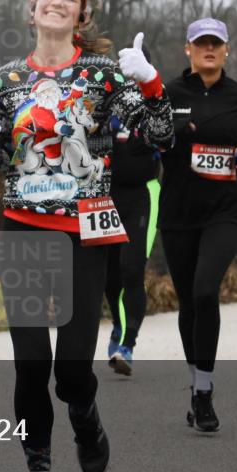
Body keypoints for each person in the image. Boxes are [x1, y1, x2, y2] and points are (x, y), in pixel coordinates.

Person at [0, 0, 172, 472]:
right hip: (24, 229)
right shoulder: (7, 80)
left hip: (85, 232)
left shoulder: (104, 76)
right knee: (31, 363)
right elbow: (5, 160)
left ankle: (84, 416)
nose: (57, 1)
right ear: (33, 8)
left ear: (81, 14)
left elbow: (160, 136)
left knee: (72, 370)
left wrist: (150, 84)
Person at [159, 18, 237, 433]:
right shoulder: (168, 93)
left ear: (226, 50)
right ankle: (196, 383)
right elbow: (151, 138)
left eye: (216, 43)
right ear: (188, 49)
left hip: (227, 209)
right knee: (188, 302)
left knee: (206, 291)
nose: (209, 49)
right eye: (201, 43)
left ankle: (204, 393)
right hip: (179, 211)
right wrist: (171, 133)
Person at [104, 121, 161, 376]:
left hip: (143, 194)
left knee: (132, 268)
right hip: (106, 194)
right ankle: (119, 323)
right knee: (109, 273)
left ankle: (127, 345)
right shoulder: (101, 104)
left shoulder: (153, 105)